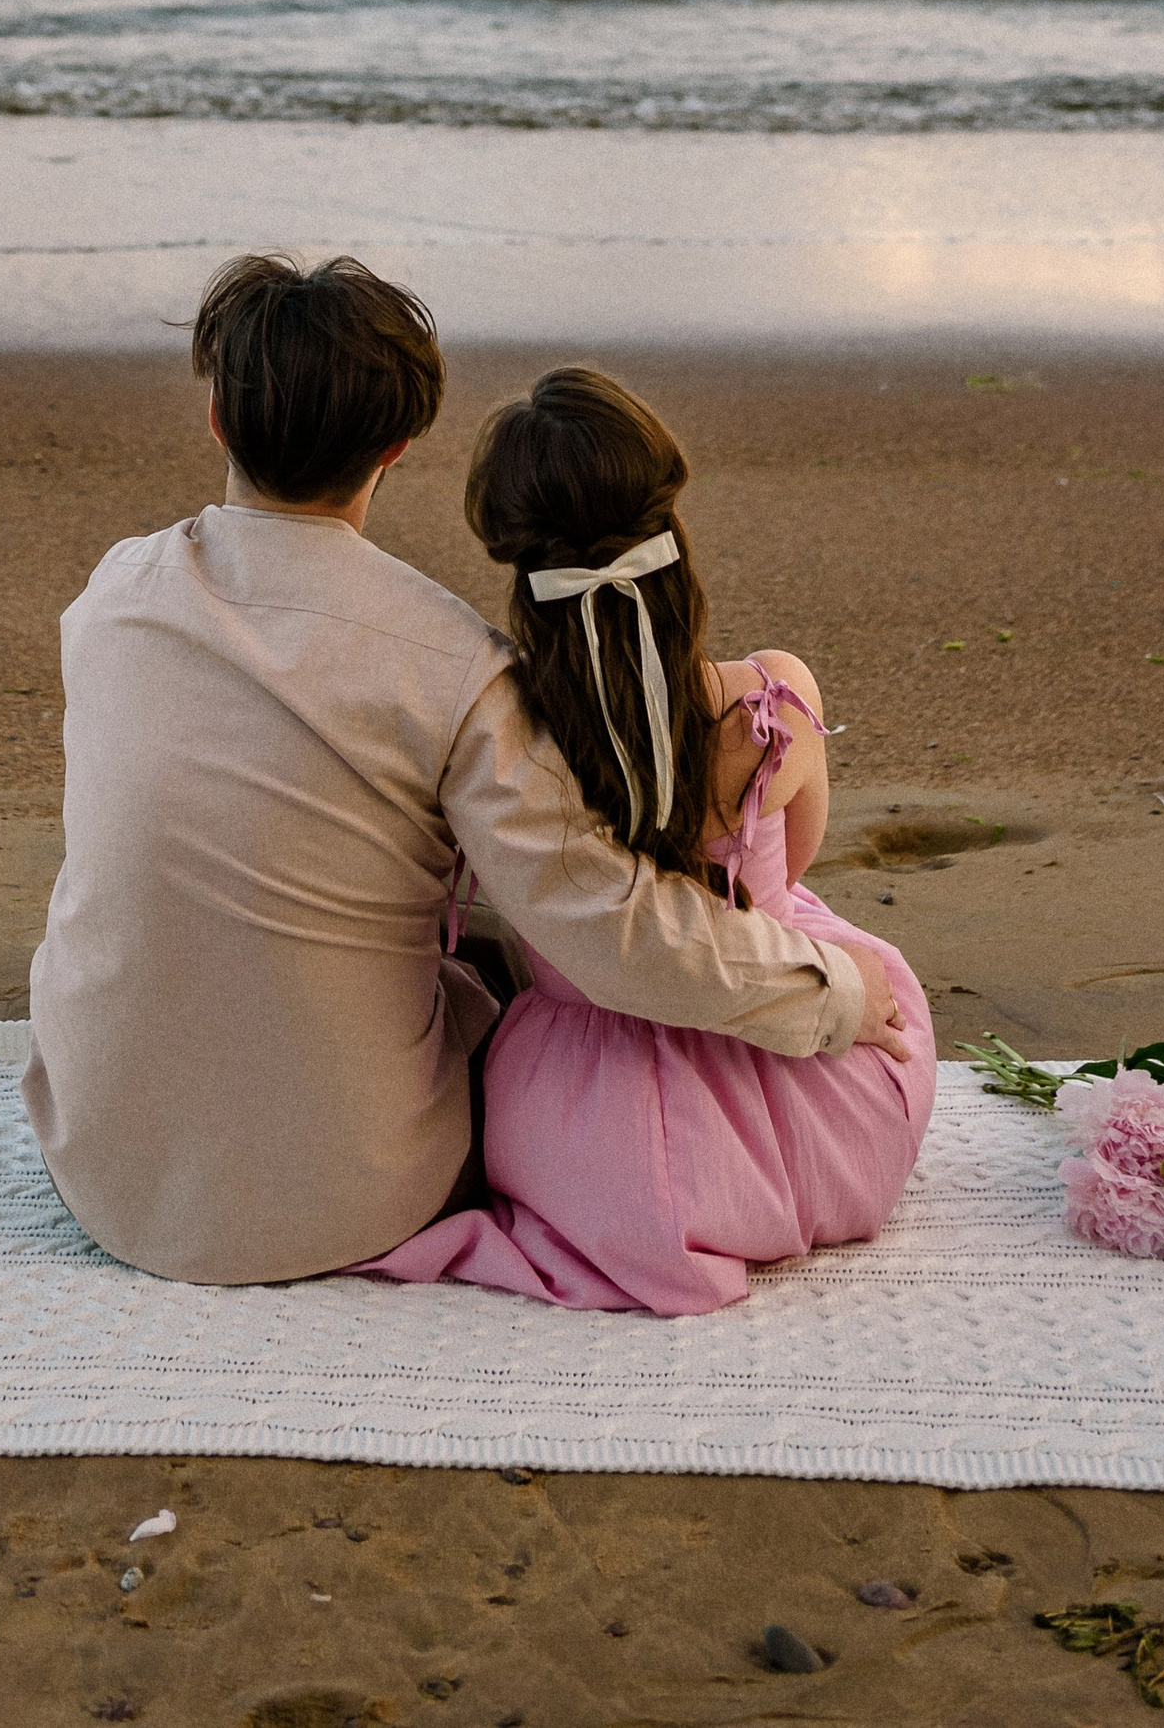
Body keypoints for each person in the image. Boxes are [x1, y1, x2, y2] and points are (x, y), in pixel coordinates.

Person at [22, 255, 912, 1286]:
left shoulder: (111, 601)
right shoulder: (454, 665)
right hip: (353, 1197)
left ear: (217, 416)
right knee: (500, 974)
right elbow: (611, 926)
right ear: (398, 446)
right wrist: (833, 991)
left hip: (100, 1170)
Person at [365, 364, 935, 1312]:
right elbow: (791, 867)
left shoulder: (504, 737)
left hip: (586, 1130)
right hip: (808, 1096)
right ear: (668, 527)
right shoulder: (770, 696)